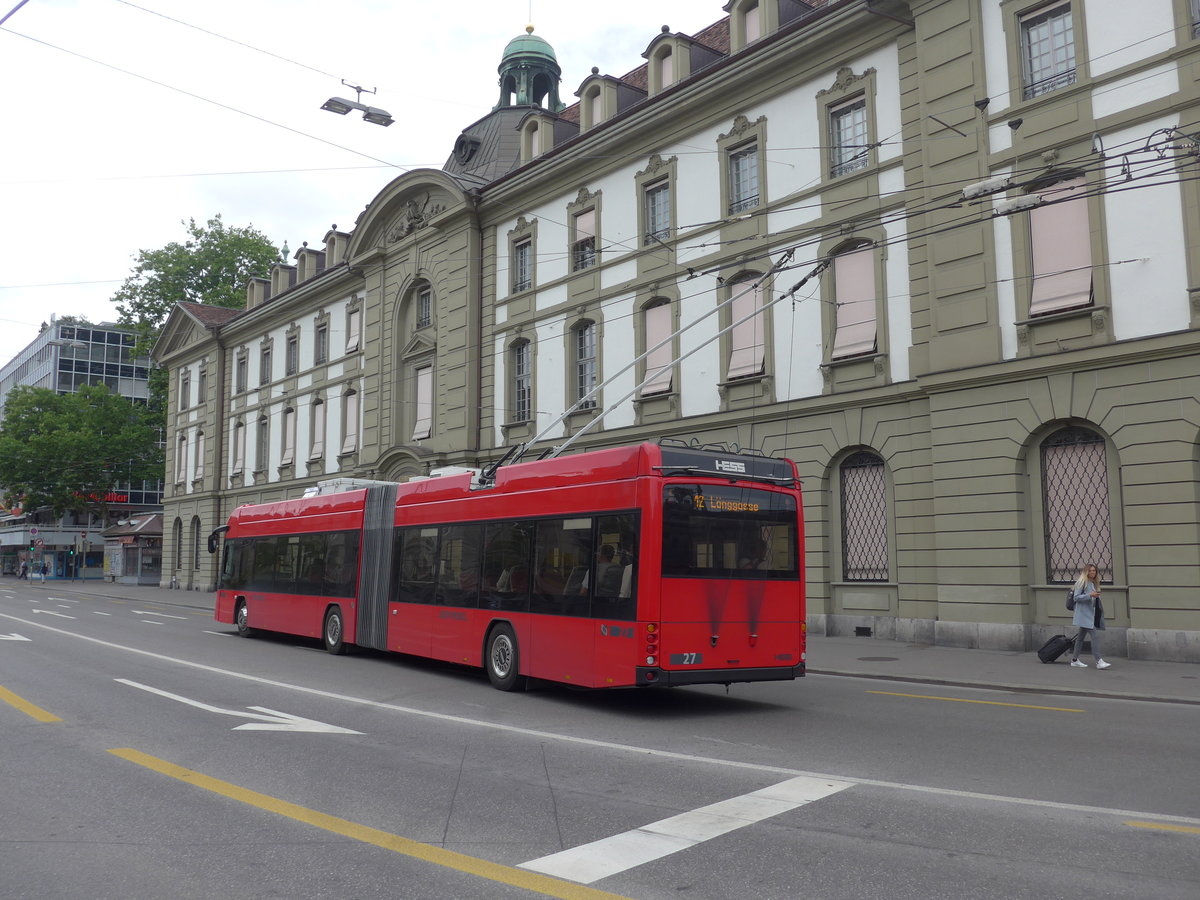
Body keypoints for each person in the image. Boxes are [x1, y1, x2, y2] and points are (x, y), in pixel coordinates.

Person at [1069, 563, 1111, 669]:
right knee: (1094, 637)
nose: (1093, 572)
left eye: (1094, 571)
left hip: (1088, 614)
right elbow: (1076, 597)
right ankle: (1099, 661)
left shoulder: (1091, 583)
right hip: (1084, 615)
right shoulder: (1081, 582)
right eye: (1091, 570)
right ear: (1086, 571)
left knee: (1080, 638)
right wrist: (1090, 595)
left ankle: (1074, 660)